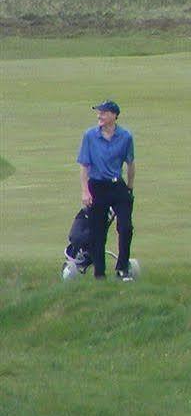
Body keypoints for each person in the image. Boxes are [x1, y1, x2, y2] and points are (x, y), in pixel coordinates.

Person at [77, 100, 136, 282]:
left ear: (113, 115)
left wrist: (129, 188)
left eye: (103, 113)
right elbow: (84, 166)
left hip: (117, 185)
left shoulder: (125, 136)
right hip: (97, 186)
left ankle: (122, 269)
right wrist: (85, 191)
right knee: (98, 231)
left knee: (125, 227)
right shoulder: (90, 136)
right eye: (99, 113)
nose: (99, 116)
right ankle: (99, 274)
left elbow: (130, 163)